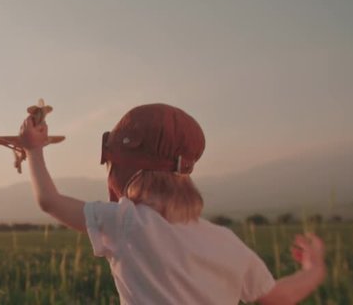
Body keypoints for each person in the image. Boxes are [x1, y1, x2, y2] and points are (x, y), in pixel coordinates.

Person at [18, 103, 325, 304]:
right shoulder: (227, 242)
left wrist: (34, 150)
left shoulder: (126, 222)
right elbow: (278, 297)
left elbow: (49, 201)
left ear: (121, 169)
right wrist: (315, 269)